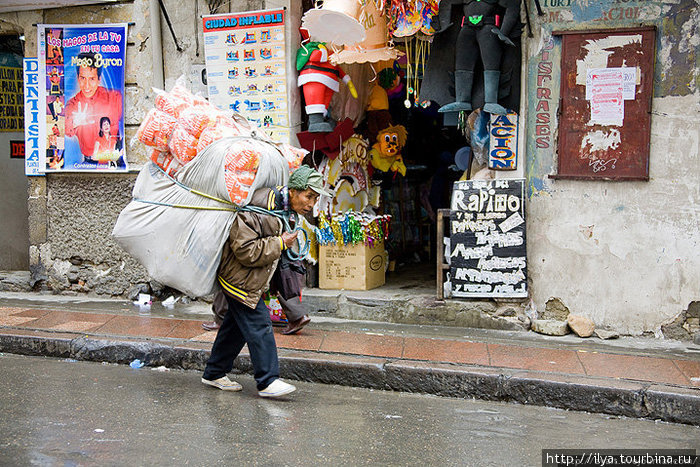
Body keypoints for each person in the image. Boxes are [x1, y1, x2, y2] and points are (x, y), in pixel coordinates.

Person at [201, 165, 331, 398]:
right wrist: (279, 243)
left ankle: (214, 372)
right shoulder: (260, 209)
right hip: (239, 278)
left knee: (235, 328)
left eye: (315, 198)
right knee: (259, 324)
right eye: (309, 196)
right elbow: (244, 249)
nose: (312, 203)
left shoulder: (285, 209)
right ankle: (268, 381)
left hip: (250, 277)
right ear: (293, 191)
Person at [64, 52, 123, 164]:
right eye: (82, 78)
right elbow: (65, 130)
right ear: (77, 78)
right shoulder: (73, 104)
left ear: (99, 79)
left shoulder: (114, 97)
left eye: (92, 79)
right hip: (89, 165)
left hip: (116, 163)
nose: (86, 86)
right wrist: (74, 122)